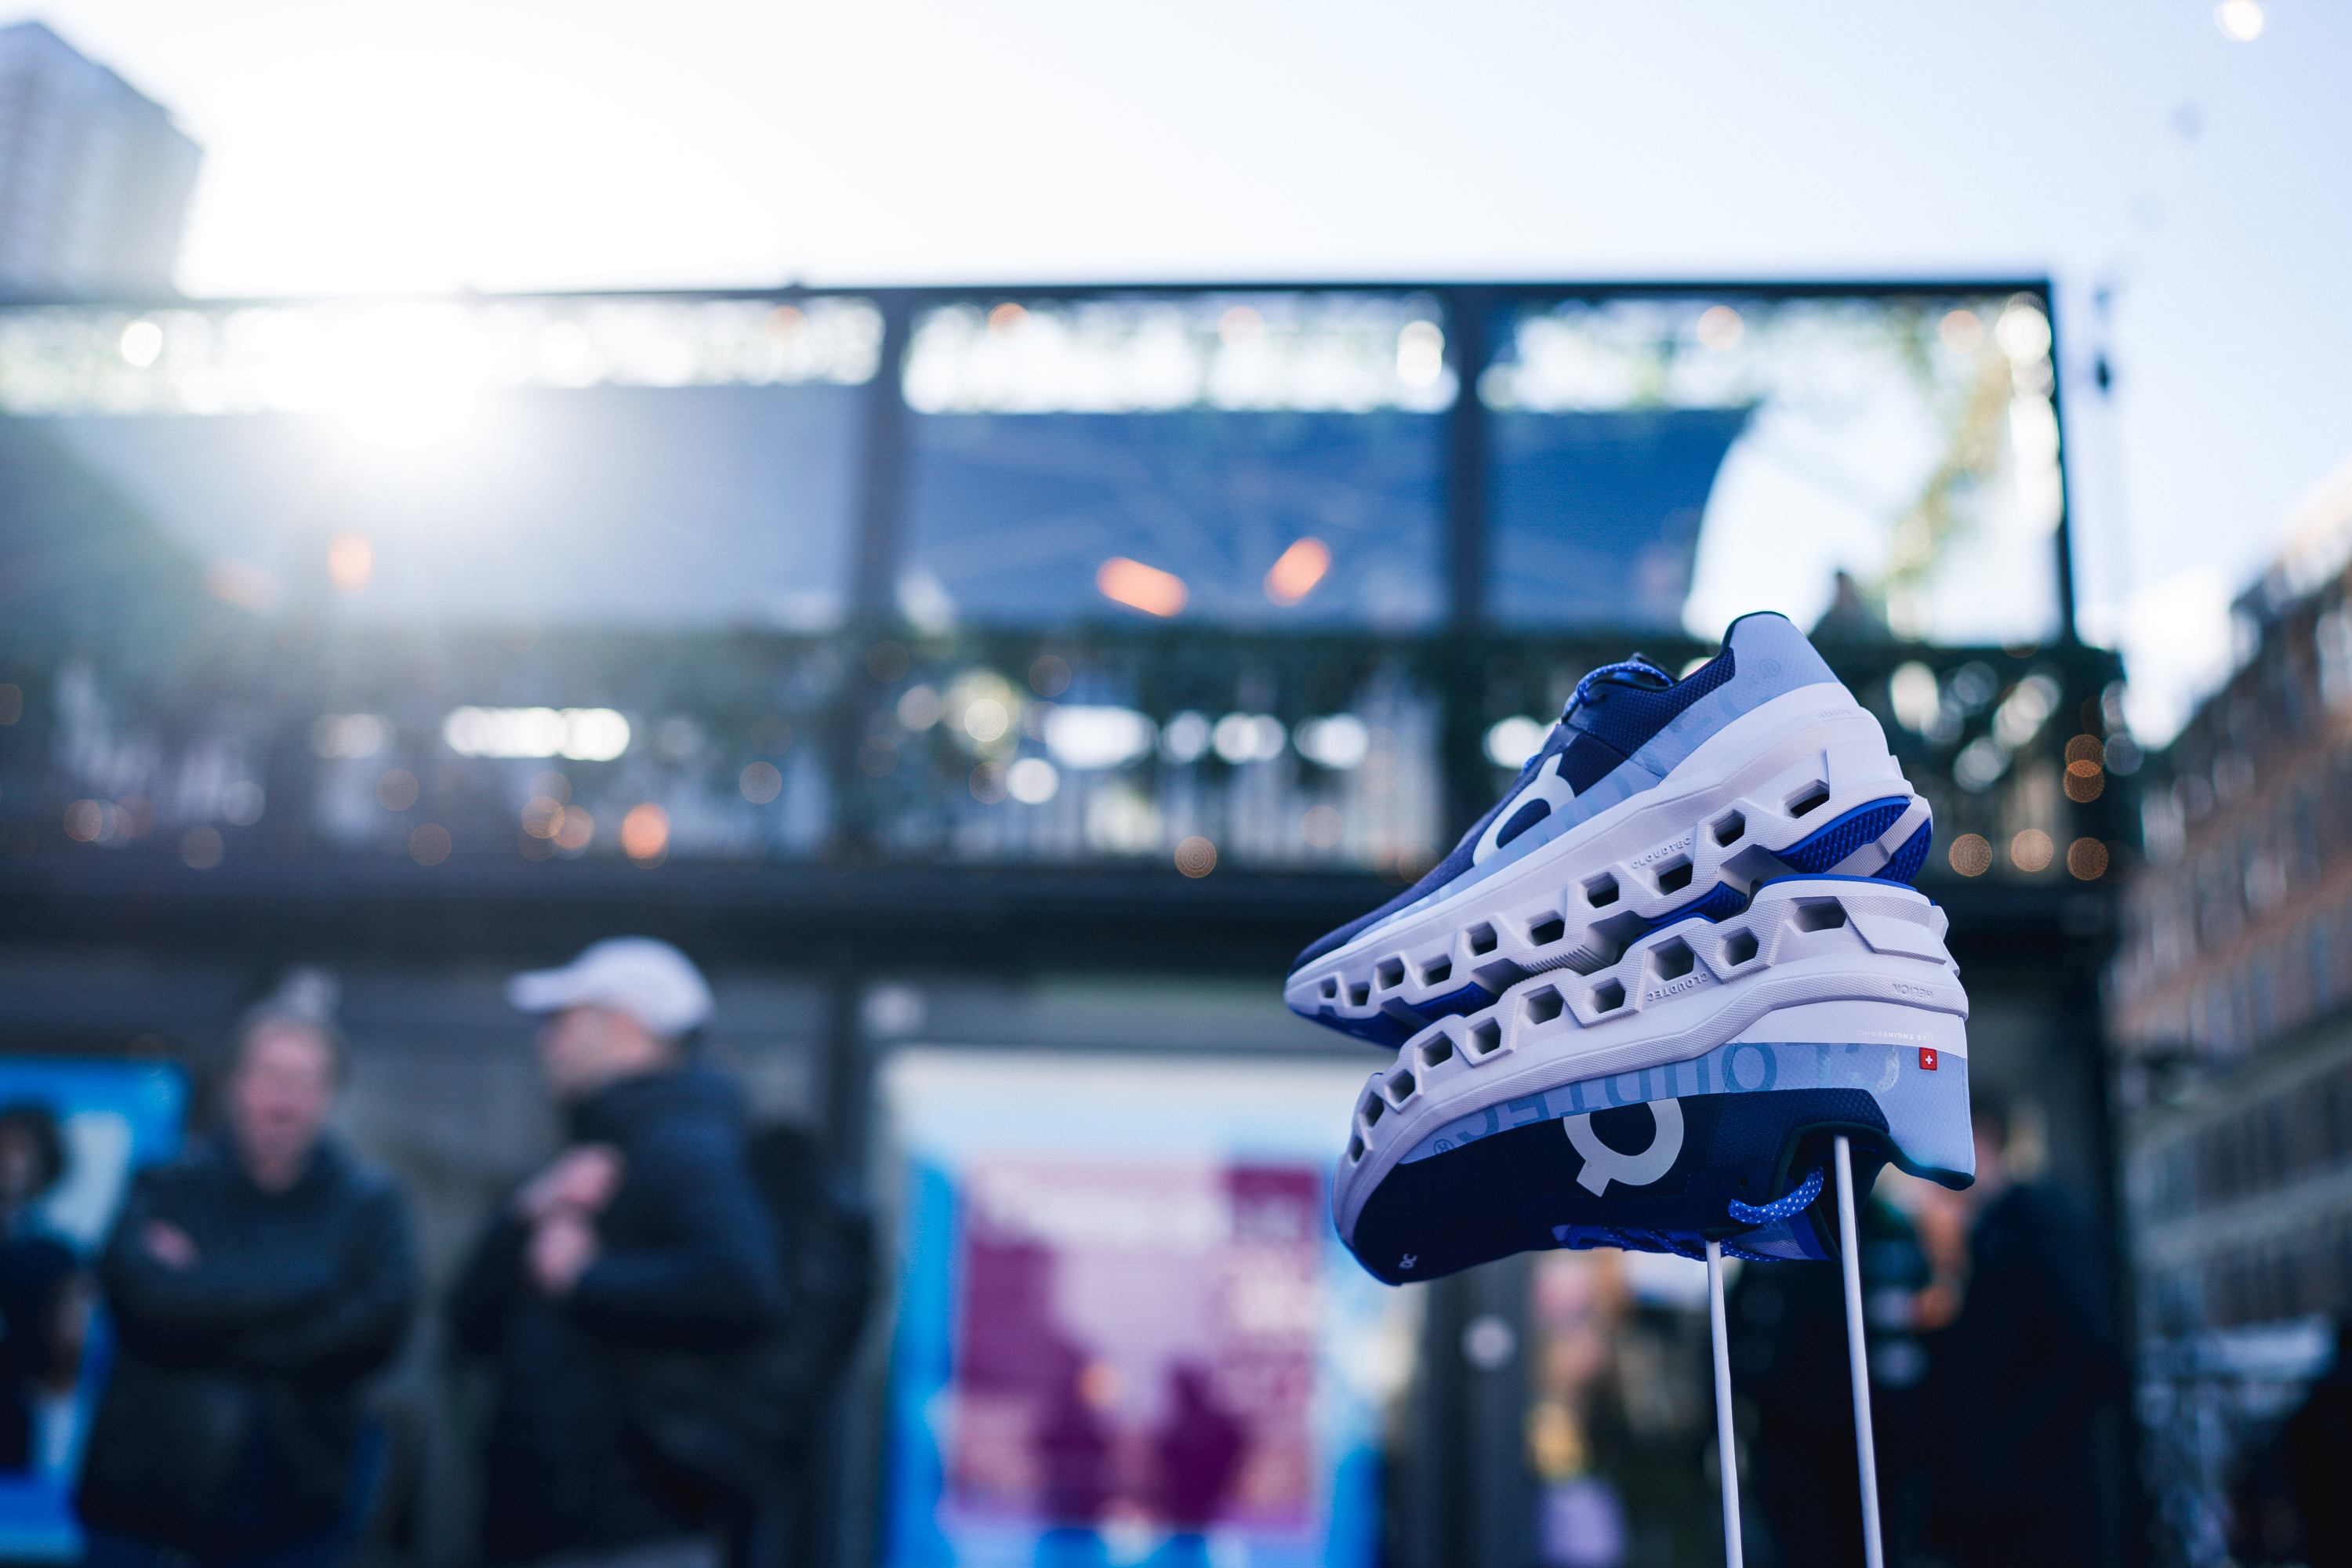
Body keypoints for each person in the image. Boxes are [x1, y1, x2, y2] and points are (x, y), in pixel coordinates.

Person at [448, 938, 786, 1568]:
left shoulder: (685, 1148)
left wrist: (584, 1279)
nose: (547, 1042)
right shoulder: (596, 1144)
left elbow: (742, 1284)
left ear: (624, 1026)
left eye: (564, 1021)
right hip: (560, 1527)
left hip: (630, 1531)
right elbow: (467, 1324)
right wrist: (524, 1217)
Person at [78, 969, 416, 1568]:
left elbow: (380, 1328)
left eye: (305, 1081)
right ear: (235, 1083)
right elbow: (145, 1301)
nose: (284, 1097)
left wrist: (204, 1307)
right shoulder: (167, 1186)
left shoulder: (370, 1203)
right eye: (270, 1076)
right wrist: (313, 1287)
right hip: (146, 1510)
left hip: (299, 1515)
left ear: (331, 1095)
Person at [1921, 1102, 2132, 1568]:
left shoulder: (2037, 1226)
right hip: (2007, 1499)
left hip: (2038, 1503)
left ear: (1985, 1142)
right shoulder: (1988, 1234)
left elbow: (2089, 1351)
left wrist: (2002, 1453)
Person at [0, 1102, 87, 1474]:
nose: (12, 1165)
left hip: (14, 1425)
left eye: (24, 1152)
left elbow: (60, 1374)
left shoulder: (56, 1260)